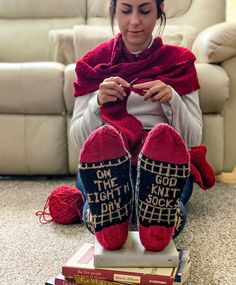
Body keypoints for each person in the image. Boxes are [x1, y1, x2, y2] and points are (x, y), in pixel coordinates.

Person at [70, 0, 203, 251]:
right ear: (113, 11)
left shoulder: (180, 63)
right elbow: (78, 140)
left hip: (162, 160)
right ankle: (108, 218)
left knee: (165, 187)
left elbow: (194, 139)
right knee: (101, 185)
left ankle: (160, 219)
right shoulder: (93, 64)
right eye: (126, 10)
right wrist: (97, 102)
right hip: (109, 158)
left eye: (144, 11)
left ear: (159, 10)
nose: (134, 21)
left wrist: (172, 98)